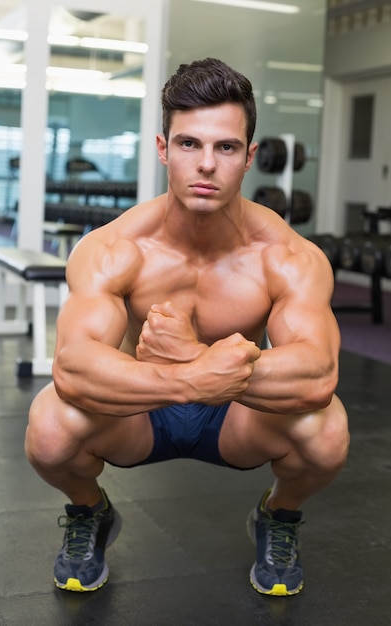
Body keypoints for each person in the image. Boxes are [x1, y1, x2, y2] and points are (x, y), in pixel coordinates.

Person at [25, 57, 349, 597]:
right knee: (50, 426)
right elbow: (74, 368)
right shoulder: (114, 249)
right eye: (188, 144)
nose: (206, 164)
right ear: (162, 149)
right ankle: (90, 511)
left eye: (225, 147)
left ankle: (279, 515)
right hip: (141, 411)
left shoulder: (287, 255)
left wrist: (194, 352)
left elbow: (317, 374)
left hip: (237, 416)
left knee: (327, 430)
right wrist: (192, 378)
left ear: (249, 158)